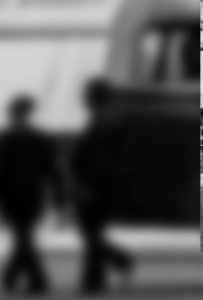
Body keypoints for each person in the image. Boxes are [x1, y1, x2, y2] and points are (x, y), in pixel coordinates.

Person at [0, 96, 64, 294]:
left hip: (10, 195)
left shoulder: (3, 138)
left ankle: (27, 278)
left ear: (12, 113)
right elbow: (52, 170)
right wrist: (60, 196)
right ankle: (24, 277)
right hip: (33, 194)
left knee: (22, 236)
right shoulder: (41, 139)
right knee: (24, 235)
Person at [71, 80, 134, 293]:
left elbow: (96, 159)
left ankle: (101, 273)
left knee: (90, 232)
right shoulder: (104, 122)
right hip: (101, 185)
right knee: (92, 232)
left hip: (97, 186)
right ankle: (99, 275)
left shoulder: (104, 124)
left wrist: (89, 184)